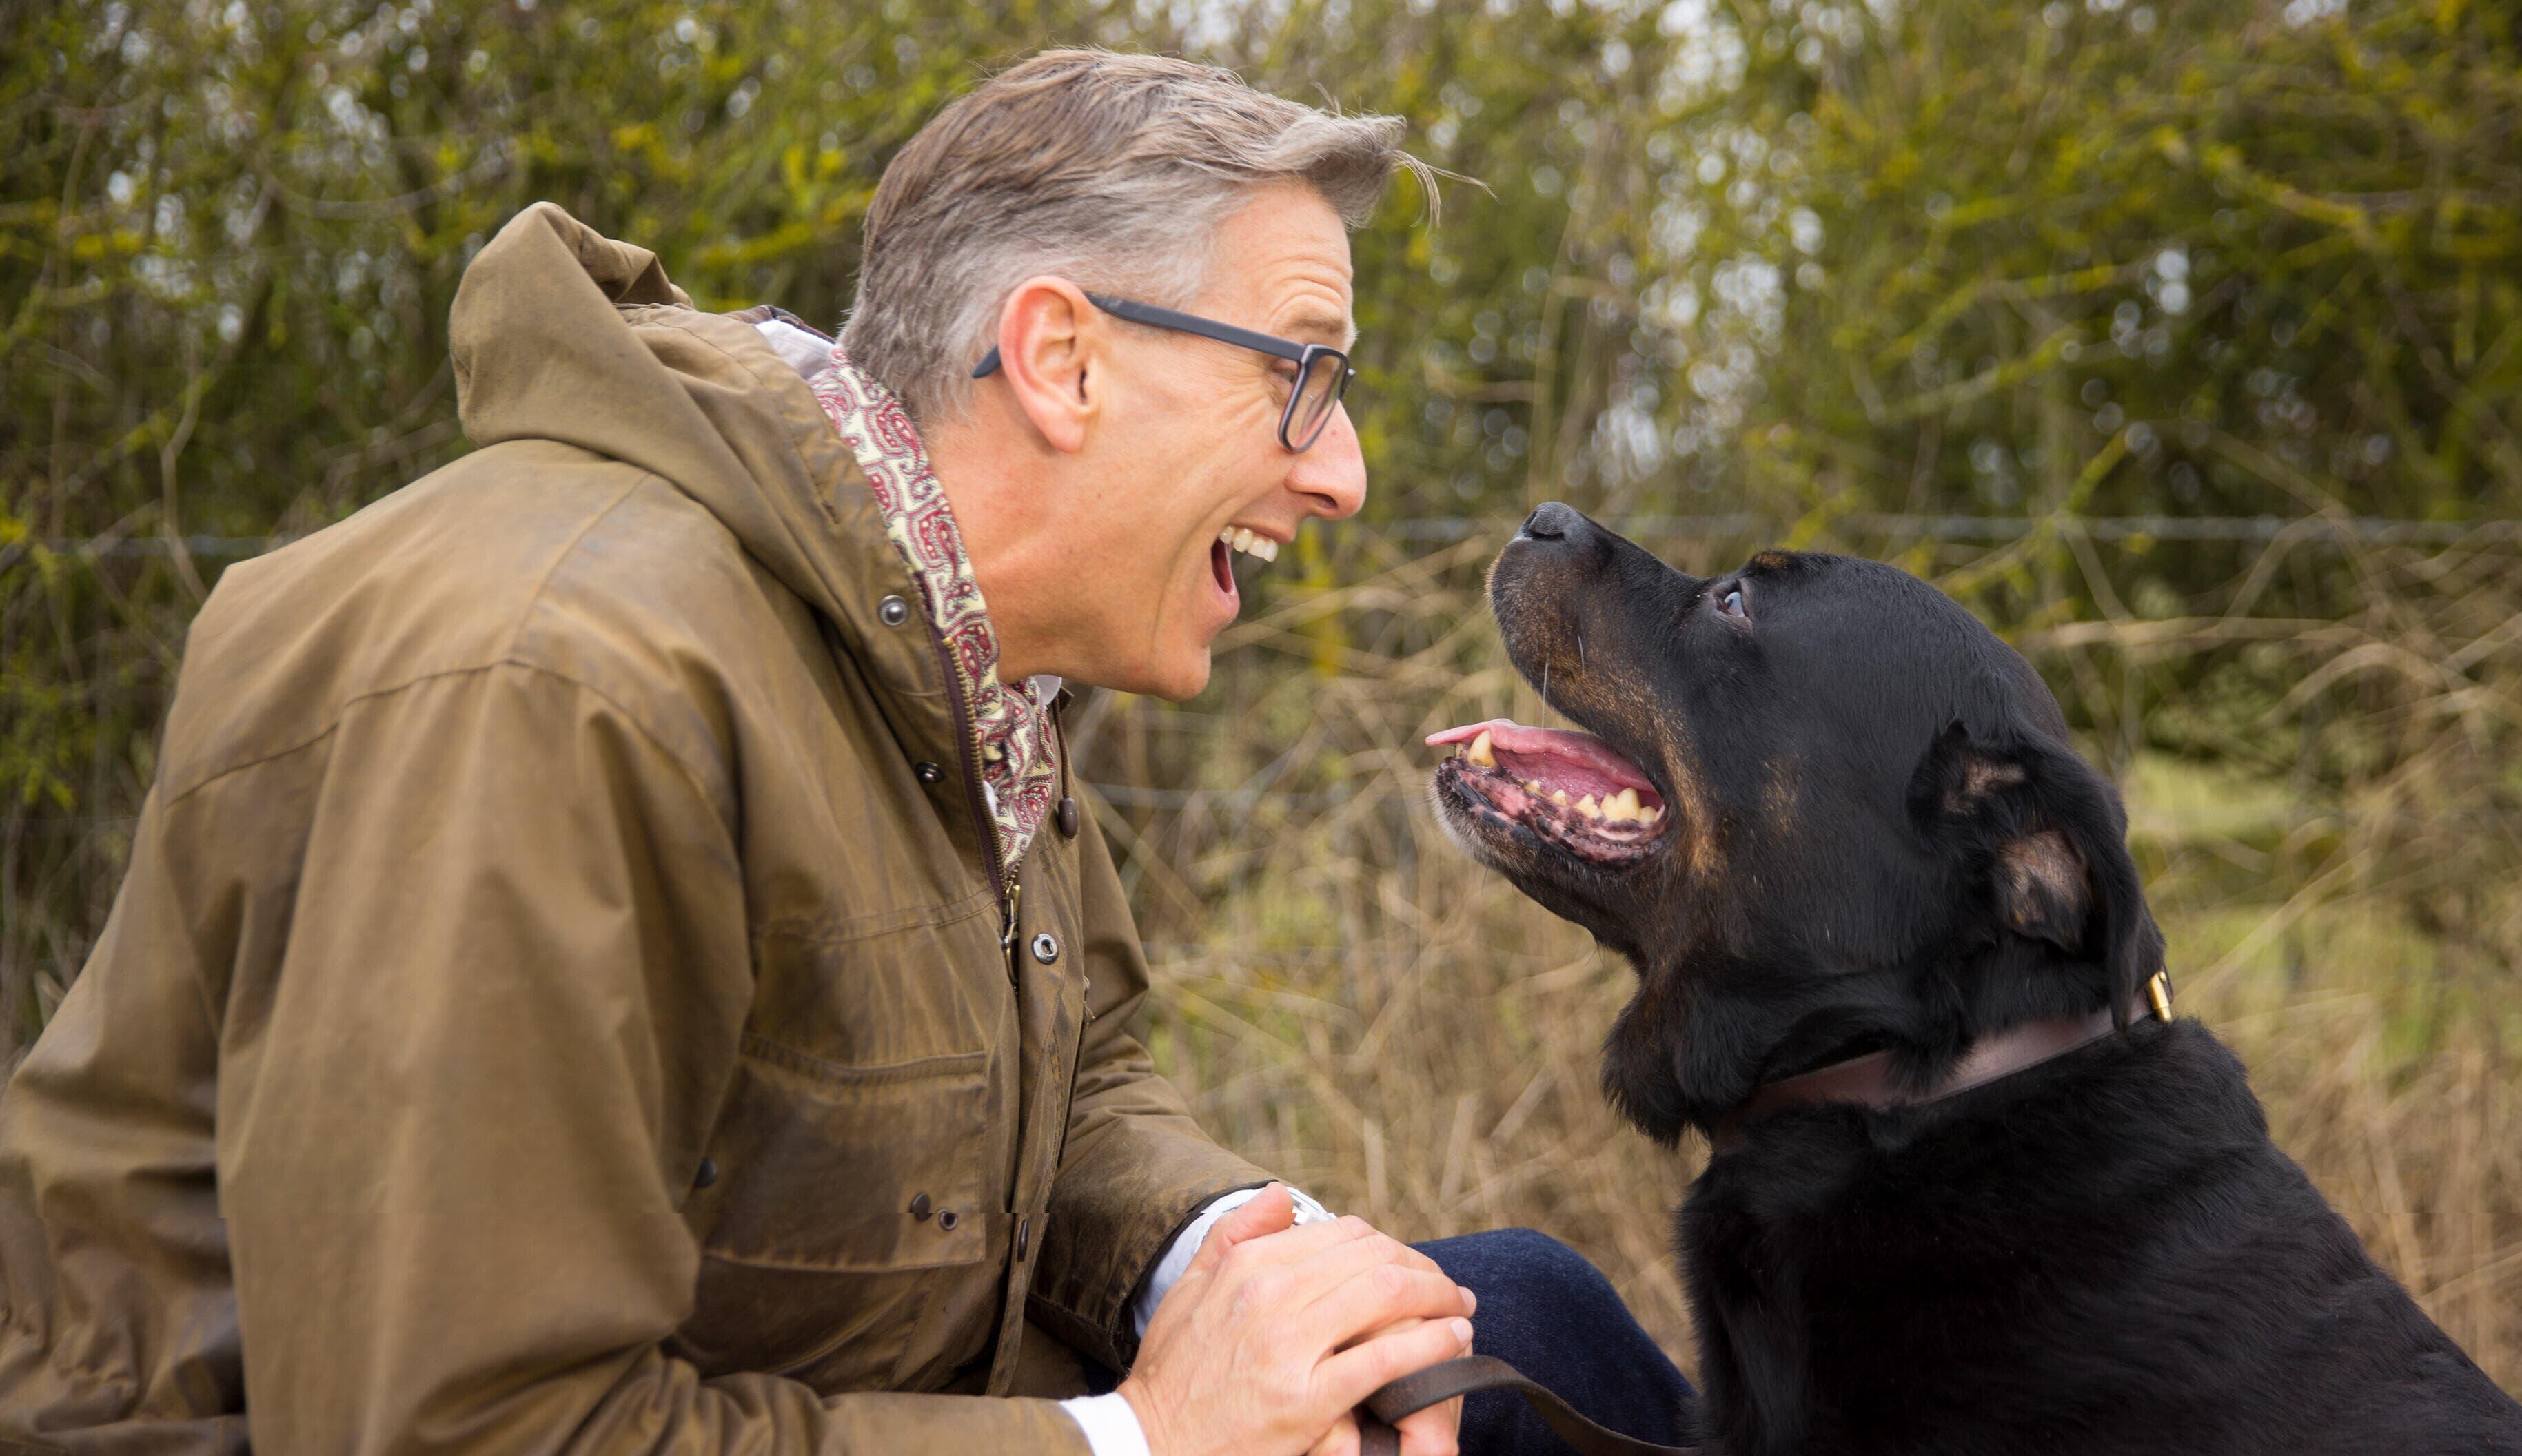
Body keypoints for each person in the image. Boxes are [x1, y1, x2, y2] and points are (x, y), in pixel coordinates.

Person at [0, 49, 1690, 1456]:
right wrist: (1144, 1439)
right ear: (1062, 358)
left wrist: (1249, 1270)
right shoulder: (554, 686)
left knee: (1501, 1326)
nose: (1348, 477)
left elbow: (1079, 1079)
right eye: (1304, 380)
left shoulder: (951, 657)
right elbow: (466, 1427)